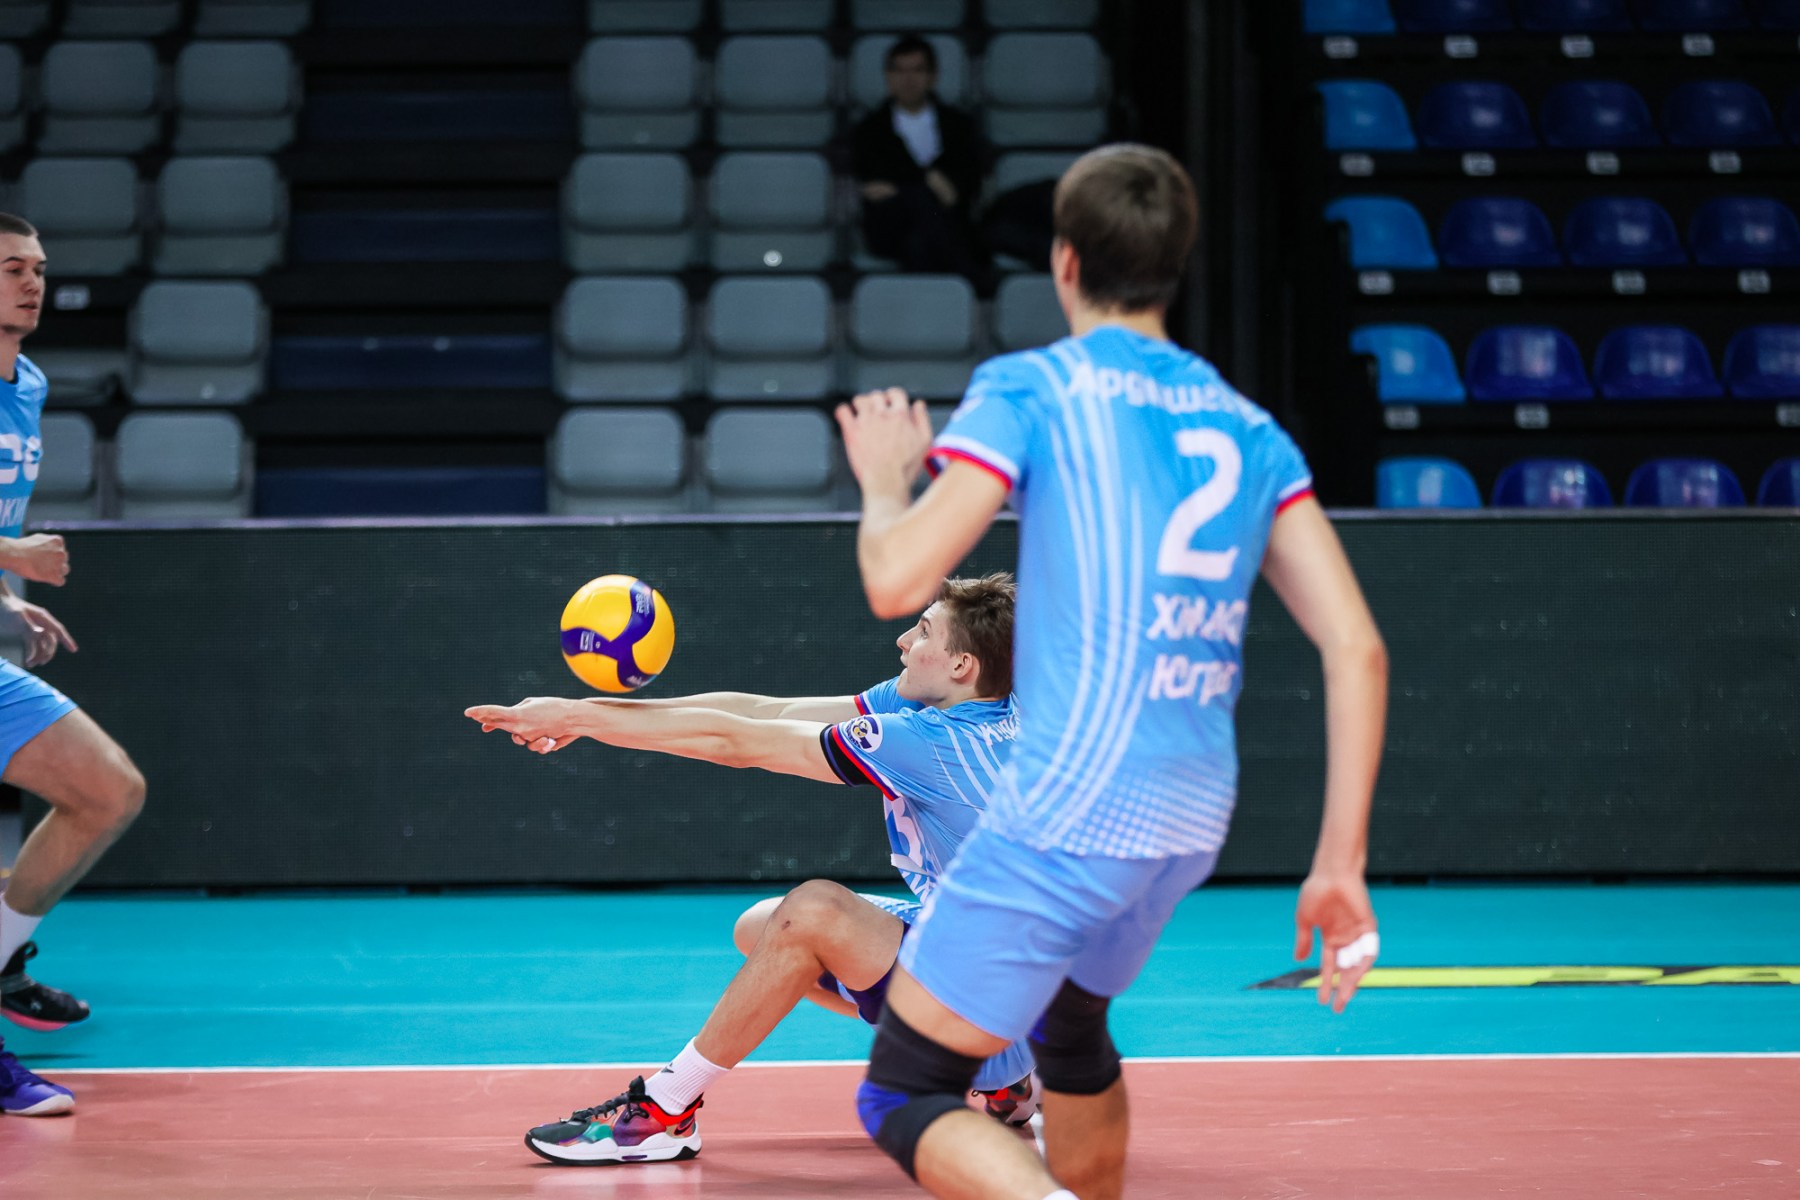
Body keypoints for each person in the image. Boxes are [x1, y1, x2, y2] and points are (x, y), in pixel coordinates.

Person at [834, 145, 1390, 1200]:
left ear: (1065, 262)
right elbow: (1356, 646)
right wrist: (1339, 863)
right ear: (1174, 267)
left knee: (902, 1094)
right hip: (1192, 813)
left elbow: (895, 576)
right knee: (1071, 1020)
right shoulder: (1251, 429)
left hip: (1074, 800)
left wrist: (884, 483)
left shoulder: (1034, 388)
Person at [465, 574, 1040, 1166]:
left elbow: (737, 741)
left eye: (922, 632)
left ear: (962, 665)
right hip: (1017, 980)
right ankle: (1008, 1081)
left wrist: (575, 717)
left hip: (995, 1001)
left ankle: (665, 1111)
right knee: (761, 927)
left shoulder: (930, 740)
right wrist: (585, 713)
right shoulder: (993, 704)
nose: (902, 642)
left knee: (813, 912)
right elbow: (764, 711)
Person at [0, 213, 148, 1118]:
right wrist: (11, 557)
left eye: (39, 268)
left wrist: (6, 597)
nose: (32, 283)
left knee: (107, 789)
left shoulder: (28, 383)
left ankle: (2, 956)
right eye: (11, 268)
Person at [851, 35, 986, 280]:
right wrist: (929, 180)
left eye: (917, 70)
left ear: (932, 76)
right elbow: (874, 190)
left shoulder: (958, 126)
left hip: (946, 223)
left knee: (919, 242)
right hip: (890, 228)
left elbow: (963, 189)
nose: (908, 79)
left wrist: (902, 186)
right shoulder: (869, 131)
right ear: (888, 77)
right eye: (899, 71)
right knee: (920, 199)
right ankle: (973, 278)